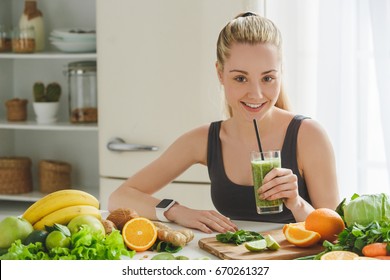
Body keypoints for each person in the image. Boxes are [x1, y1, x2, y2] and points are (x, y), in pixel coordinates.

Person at [108, 12, 340, 234]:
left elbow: (336, 233)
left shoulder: (308, 136)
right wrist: (177, 211)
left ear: (281, 73)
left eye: (267, 78)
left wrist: (297, 204)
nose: (256, 94)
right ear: (220, 73)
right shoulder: (204, 140)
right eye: (240, 78)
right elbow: (119, 197)